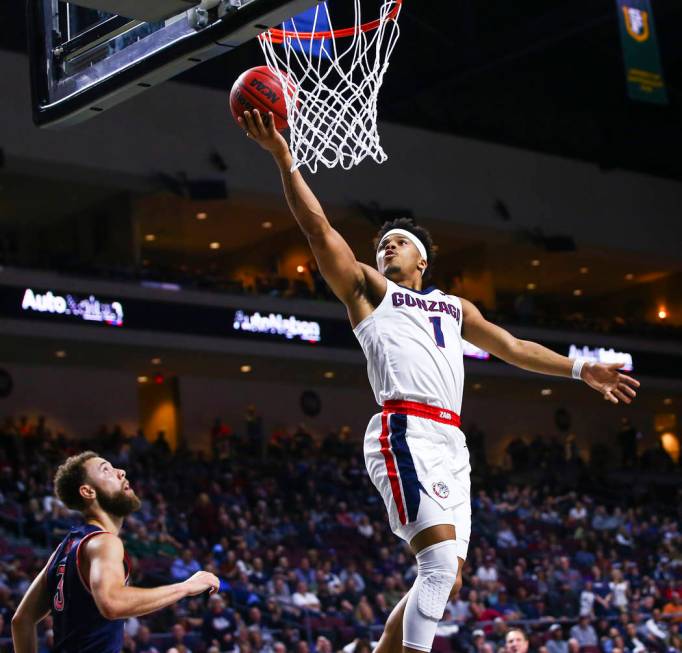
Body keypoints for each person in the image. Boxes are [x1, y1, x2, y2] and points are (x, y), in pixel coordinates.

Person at [239, 108, 641, 653]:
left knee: (448, 578)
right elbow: (318, 228)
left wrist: (579, 368)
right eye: (382, 243)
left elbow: (514, 347)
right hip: (401, 429)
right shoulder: (368, 291)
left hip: (451, 443)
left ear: (422, 259)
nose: (386, 247)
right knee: (434, 566)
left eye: (398, 242)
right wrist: (285, 159)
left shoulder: (454, 307)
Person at [11, 451, 219, 653]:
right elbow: (112, 603)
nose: (121, 472)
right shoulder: (103, 542)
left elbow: (22, 621)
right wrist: (186, 587)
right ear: (88, 492)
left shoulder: (66, 547)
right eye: (106, 470)